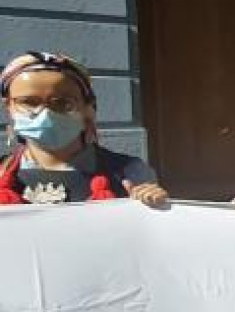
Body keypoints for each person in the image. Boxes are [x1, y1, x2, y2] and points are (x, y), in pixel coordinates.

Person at [0, 51, 167, 206]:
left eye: (62, 103)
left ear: (88, 108)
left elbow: (147, 226)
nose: (46, 114)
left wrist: (151, 205)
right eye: (28, 102)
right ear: (8, 106)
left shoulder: (130, 171)